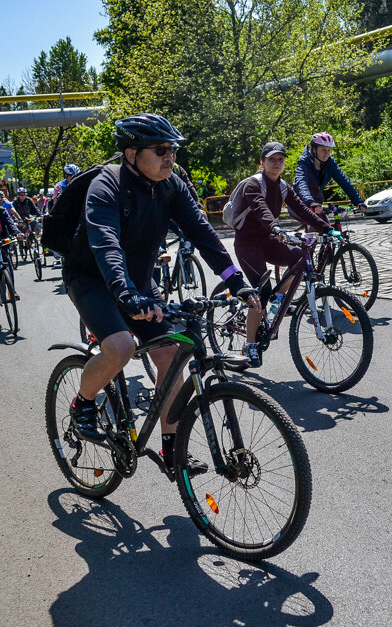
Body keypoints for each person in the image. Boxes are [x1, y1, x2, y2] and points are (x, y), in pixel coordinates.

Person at [62, 113, 259, 472]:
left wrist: (236, 281)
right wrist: (127, 296)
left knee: (171, 353)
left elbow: (203, 233)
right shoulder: (105, 187)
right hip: (91, 278)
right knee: (120, 347)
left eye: (173, 150)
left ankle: (173, 450)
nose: (170, 156)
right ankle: (83, 402)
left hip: (137, 281)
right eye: (161, 150)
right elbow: (106, 246)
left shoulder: (171, 185)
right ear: (131, 154)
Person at [233, 141, 337, 367]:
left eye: (281, 159)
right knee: (260, 293)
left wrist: (328, 229)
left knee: (299, 257)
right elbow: (261, 209)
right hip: (247, 244)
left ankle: (278, 299)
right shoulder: (253, 184)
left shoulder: (283, 187)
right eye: (272, 159)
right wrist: (277, 228)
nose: (277, 163)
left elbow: (302, 210)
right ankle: (250, 344)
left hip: (268, 240)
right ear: (262, 162)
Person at [293, 132, 366, 222]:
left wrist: (358, 201)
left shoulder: (330, 163)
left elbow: (344, 181)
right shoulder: (304, 162)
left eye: (329, 150)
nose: (326, 153)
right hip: (299, 202)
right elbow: (301, 182)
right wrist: (310, 202)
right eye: (323, 150)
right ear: (314, 150)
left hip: (317, 203)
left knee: (327, 228)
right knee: (318, 225)